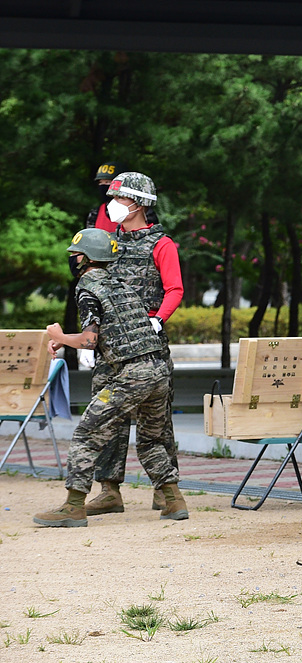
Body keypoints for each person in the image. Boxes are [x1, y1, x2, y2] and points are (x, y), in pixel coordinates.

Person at [33, 228, 189, 527]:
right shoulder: (123, 286)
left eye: (75, 254)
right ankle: (173, 500)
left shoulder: (88, 287)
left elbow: (90, 340)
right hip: (158, 371)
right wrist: (66, 339)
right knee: (151, 440)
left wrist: (58, 335)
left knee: (86, 434)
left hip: (132, 375)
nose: (73, 258)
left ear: (87, 258)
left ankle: (73, 507)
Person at [83, 172, 184, 517]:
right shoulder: (107, 243)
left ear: (139, 204)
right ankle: (109, 490)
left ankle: (165, 491)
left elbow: (175, 289)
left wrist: (158, 319)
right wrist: (87, 338)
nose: (111, 206)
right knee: (107, 420)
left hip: (148, 345)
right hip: (110, 349)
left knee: (156, 422)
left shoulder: (161, 243)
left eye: (119, 199)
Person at [85, 161, 125, 233]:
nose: (103, 186)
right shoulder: (95, 213)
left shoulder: (135, 211)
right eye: (100, 182)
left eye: (107, 182)